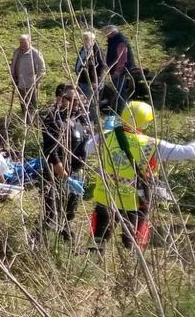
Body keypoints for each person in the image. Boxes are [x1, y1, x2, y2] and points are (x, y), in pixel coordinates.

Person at [85, 101, 195, 250]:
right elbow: (188, 152)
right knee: (132, 242)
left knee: (99, 238)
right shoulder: (152, 144)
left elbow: (87, 147)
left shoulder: (106, 136)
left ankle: (93, 259)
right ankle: (131, 265)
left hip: (105, 196)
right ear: (145, 122)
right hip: (135, 201)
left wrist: (105, 131)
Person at [40, 83, 92, 240]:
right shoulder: (53, 120)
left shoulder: (80, 118)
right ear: (59, 99)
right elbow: (51, 152)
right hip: (57, 174)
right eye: (71, 100)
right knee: (52, 213)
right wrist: (64, 177)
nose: (76, 104)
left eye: (78, 100)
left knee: (70, 213)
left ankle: (66, 236)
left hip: (77, 172)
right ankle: (43, 241)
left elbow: (87, 142)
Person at [103, 25, 140, 113]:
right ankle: (117, 109)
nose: (105, 35)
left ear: (111, 33)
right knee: (117, 91)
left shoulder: (120, 41)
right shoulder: (113, 40)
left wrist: (117, 71)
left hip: (120, 71)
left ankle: (122, 112)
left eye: (106, 33)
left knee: (120, 92)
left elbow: (122, 58)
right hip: (115, 69)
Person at [11, 35, 46, 121]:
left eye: (24, 42)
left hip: (30, 84)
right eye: (21, 42)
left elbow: (42, 68)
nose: (22, 44)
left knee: (31, 105)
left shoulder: (34, 53)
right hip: (19, 83)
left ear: (29, 42)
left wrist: (36, 81)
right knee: (23, 104)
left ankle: (32, 123)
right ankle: (26, 122)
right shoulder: (17, 52)